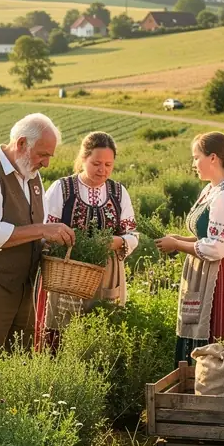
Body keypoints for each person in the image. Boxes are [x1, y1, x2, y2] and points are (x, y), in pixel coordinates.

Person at [0, 112, 75, 358]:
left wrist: (51, 242)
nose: (46, 163)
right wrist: (43, 230)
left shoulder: (31, 176)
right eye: (43, 154)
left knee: (17, 358)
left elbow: (27, 226)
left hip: (22, 285)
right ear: (21, 144)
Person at [154, 133, 224, 366]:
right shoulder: (212, 190)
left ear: (212, 158)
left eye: (196, 157)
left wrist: (178, 245)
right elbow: (207, 236)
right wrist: (180, 238)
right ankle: (194, 380)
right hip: (208, 269)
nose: (193, 164)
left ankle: (218, 385)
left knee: (218, 328)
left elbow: (218, 248)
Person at [36, 131, 139, 351]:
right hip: (67, 272)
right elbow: (44, 230)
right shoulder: (62, 189)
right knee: (62, 330)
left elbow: (132, 234)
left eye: (108, 165)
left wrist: (118, 242)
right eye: (96, 163)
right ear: (83, 159)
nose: (102, 170)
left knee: (103, 328)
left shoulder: (119, 192)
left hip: (108, 272)